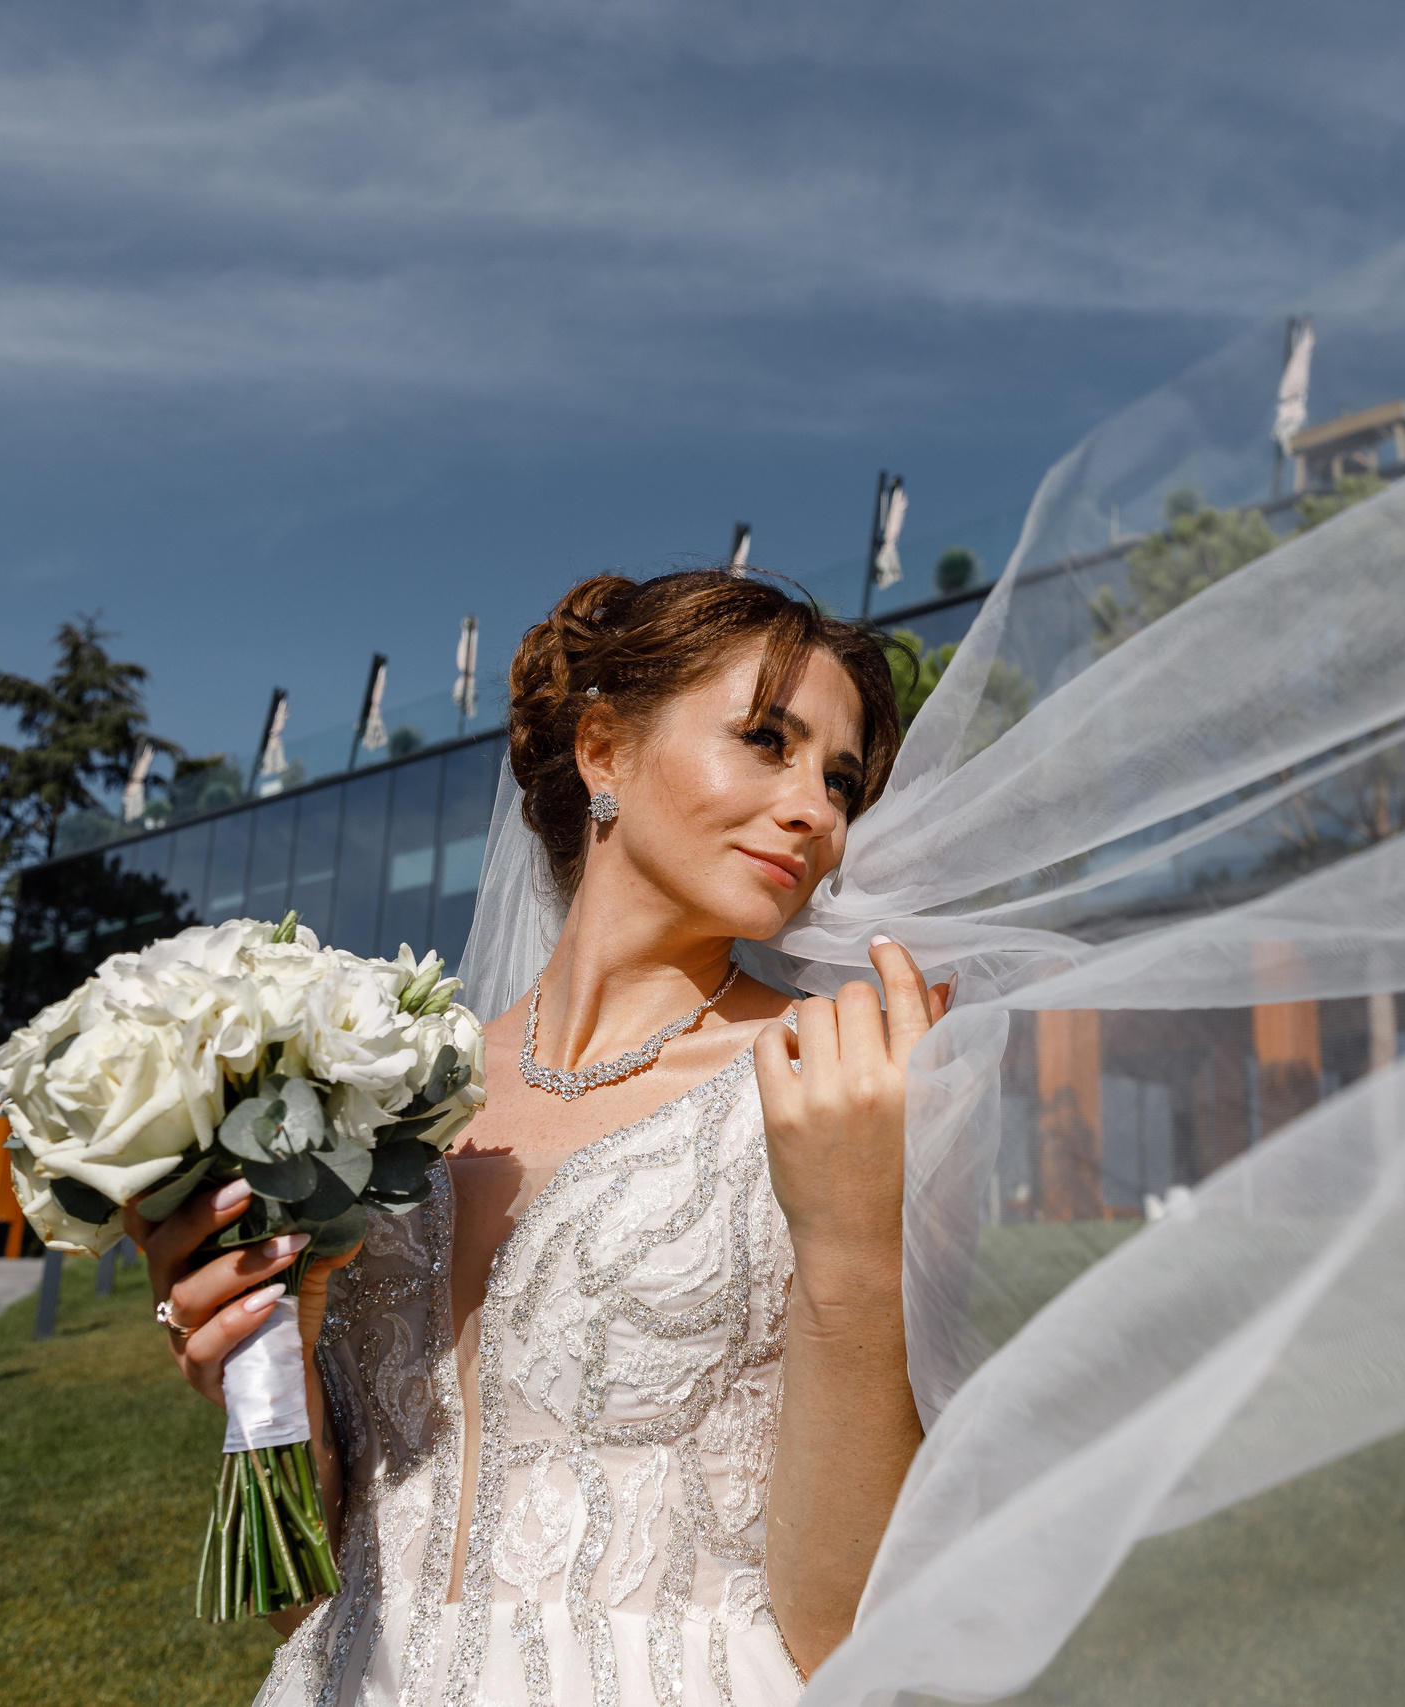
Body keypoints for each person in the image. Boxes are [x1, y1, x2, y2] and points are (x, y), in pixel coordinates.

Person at [129, 569, 939, 1705]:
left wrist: (856, 1247)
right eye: (766, 740)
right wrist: (261, 1373)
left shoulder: (838, 1084)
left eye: (839, 779)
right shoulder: (387, 1092)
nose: (817, 811)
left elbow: (848, 1636)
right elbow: (307, 1595)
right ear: (603, 750)